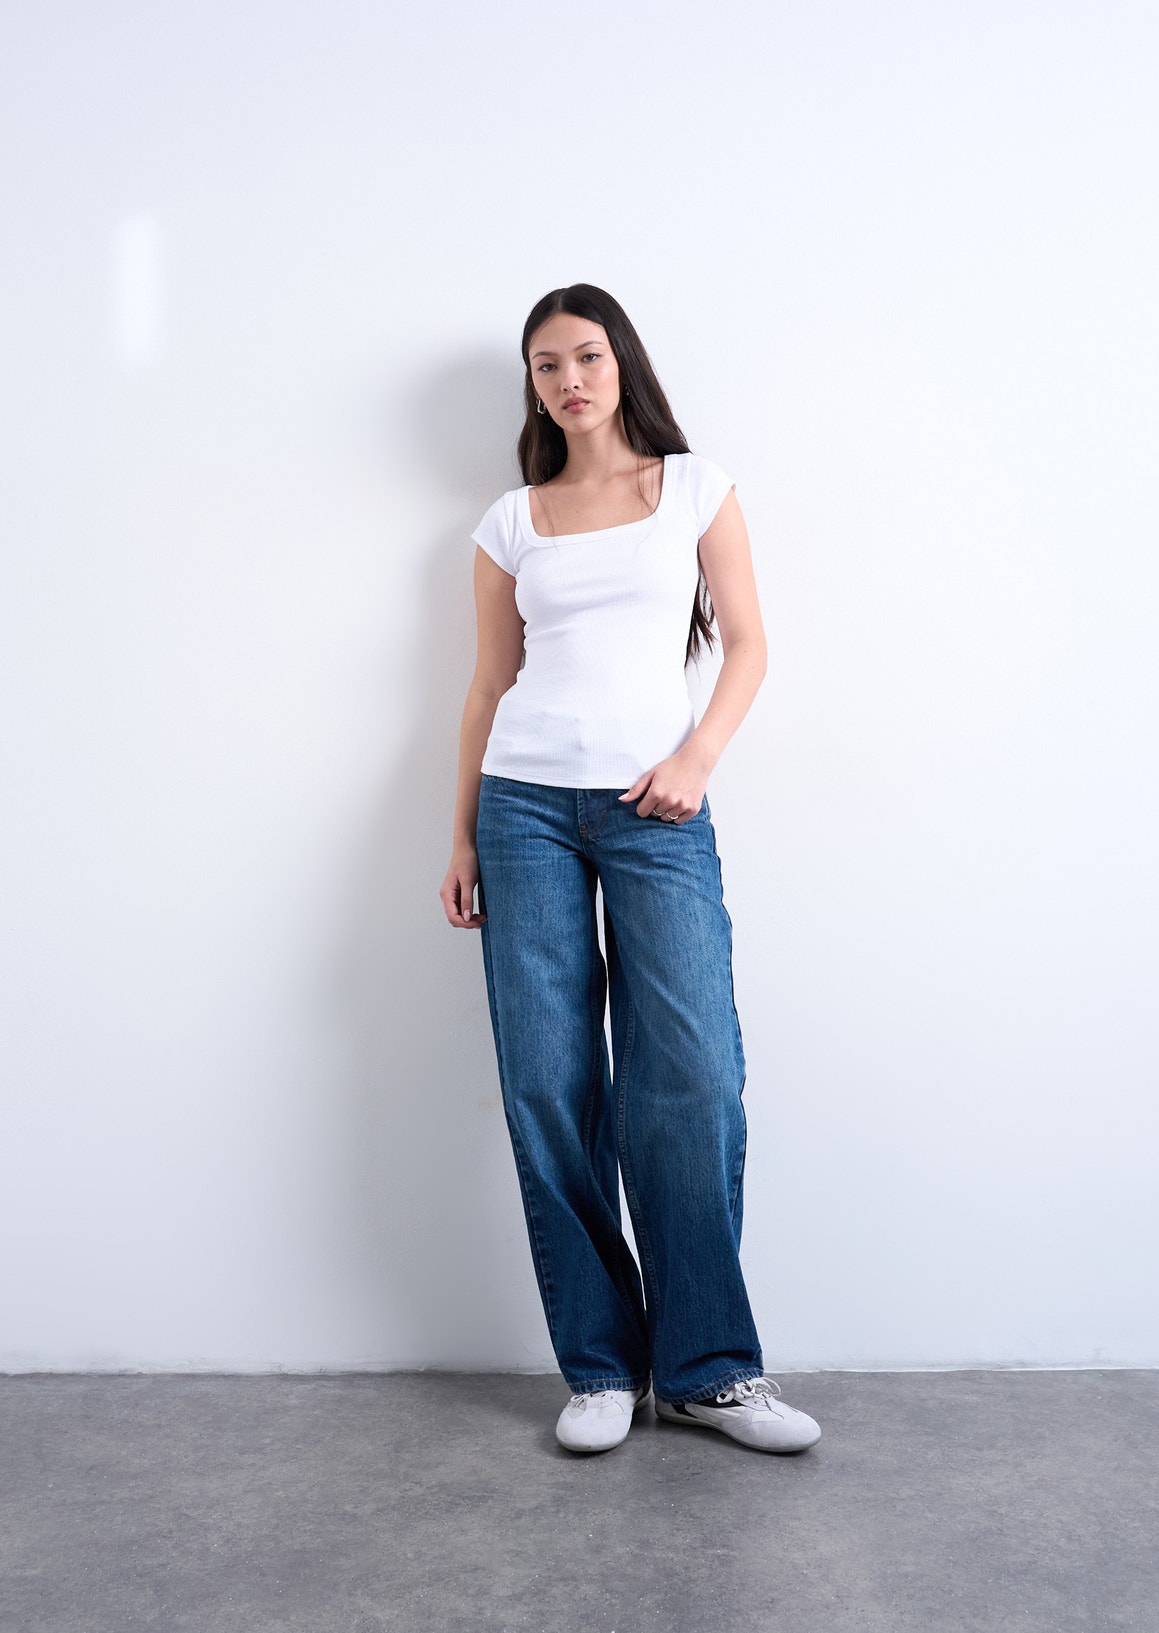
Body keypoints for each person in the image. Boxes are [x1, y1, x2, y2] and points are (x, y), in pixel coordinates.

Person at [439, 284, 820, 1457]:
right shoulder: (509, 521)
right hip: (522, 810)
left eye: (586, 356)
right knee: (549, 1084)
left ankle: (708, 1370)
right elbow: (488, 683)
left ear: (622, 364)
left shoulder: (694, 488)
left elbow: (747, 643)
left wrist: (695, 758)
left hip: (658, 806)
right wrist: (461, 834)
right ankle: (603, 1367)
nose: (569, 379)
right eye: (546, 364)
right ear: (533, 385)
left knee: (691, 1076)